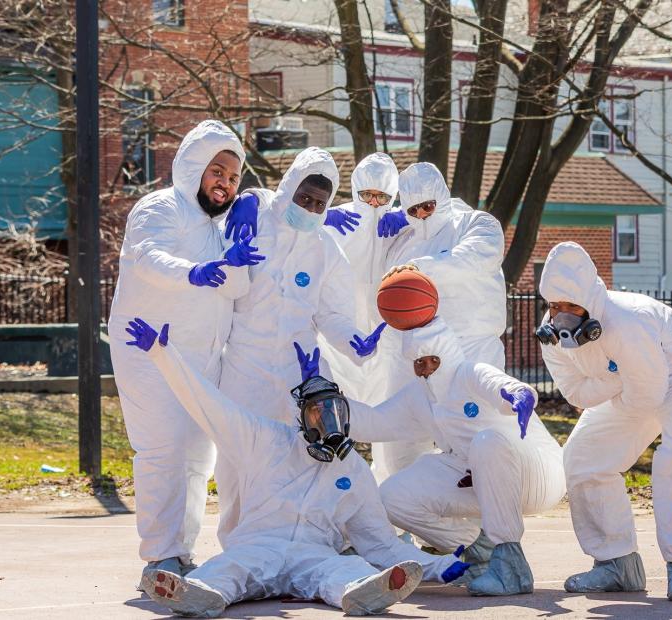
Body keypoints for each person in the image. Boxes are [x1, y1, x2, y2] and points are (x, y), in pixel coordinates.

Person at [124, 318, 471, 618]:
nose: (328, 421)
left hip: (314, 553)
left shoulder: (352, 469)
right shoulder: (265, 439)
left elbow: (381, 544)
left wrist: (442, 568)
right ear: (301, 417)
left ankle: (365, 593)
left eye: (335, 411)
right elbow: (208, 405)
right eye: (317, 413)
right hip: (258, 545)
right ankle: (196, 595)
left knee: (347, 569)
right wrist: (163, 354)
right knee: (226, 570)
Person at [107, 120, 264, 585]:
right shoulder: (161, 206)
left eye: (235, 178)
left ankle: (179, 554)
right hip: (149, 349)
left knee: (198, 458)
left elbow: (237, 286)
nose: (226, 183)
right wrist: (195, 272)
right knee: (163, 449)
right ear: (194, 167)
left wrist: (251, 217)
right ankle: (159, 558)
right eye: (218, 171)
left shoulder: (221, 228)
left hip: (201, 359)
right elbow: (148, 256)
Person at [537, 242, 672, 601]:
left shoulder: (626, 319)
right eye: (554, 306)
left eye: (570, 305)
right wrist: (617, 375)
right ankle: (616, 563)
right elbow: (577, 394)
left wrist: (615, 377)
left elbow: (649, 395)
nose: (561, 315)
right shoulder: (551, 338)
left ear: (590, 301)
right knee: (584, 459)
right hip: (632, 385)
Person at [215, 147, 385, 539]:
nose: (309, 208)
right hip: (246, 362)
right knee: (238, 456)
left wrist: (354, 340)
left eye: (319, 204)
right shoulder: (255, 220)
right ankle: (238, 542)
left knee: (314, 453)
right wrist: (245, 199)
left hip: (300, 368)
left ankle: (318, 538)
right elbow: (225, 213)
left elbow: (332, 313)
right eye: (303, 197)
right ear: (289, 186)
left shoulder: (325, 247)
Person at [337, 316, 565, 597]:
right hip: (474, 476)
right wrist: (328, 403)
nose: (425, 369)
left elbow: (500, 386)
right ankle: (481, 551)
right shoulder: (419, 396)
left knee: (487, 442)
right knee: (393, 497)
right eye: (418, 363)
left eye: (431, 360)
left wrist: (520, 395)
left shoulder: (470, 373)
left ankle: (512, 568)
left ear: (445, 352)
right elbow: (374, 422)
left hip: (536, 470)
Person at [371, 162, 508, 481]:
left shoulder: (477, 224)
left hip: (470, 349)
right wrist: (370, 222)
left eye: (427, 206)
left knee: (474, 438)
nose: (421, 215)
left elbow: (473, 259)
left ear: (442, 198)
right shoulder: (402, 240)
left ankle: (486, 525)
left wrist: (416, 269)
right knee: (400, 444)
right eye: (412, 209)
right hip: (411, 352)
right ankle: (410, 517)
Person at [317, 153, 400, 403]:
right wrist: (321, 218)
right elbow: (289, 222)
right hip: (340, 320)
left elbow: (449, 211)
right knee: (339, 394)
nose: (374, 203)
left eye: (382, 196)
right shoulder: (338, 220)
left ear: (392, 195)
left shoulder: (398, 223)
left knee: (385, 396)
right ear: (356, 191)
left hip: (383, 322)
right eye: (367, 195)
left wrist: (406, 216)